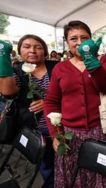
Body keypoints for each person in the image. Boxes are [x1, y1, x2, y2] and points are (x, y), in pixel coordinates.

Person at [44, 20, 106, 188]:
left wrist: (92, 62)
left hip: (101, 132)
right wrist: (56, 135)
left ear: (91, 40)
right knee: (73, 177)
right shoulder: (60, 68)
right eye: (73, 38)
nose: (79, 43)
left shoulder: (105, 61)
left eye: (84, 38)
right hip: (70, 136)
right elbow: (51, 102)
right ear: (67, 42)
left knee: (101, 178)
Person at [0, 35, 57, 188]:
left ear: (45, 51)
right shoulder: (16, 71)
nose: (32, 50)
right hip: (35, 129)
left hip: (59, 125)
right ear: (19, 50)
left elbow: (71, 93)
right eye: (26, 46)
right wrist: (3, 59)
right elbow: (8, 92)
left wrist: (47, 103)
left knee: (62, 162)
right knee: (46, 165)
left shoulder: (56, 67)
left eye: (38, 47)